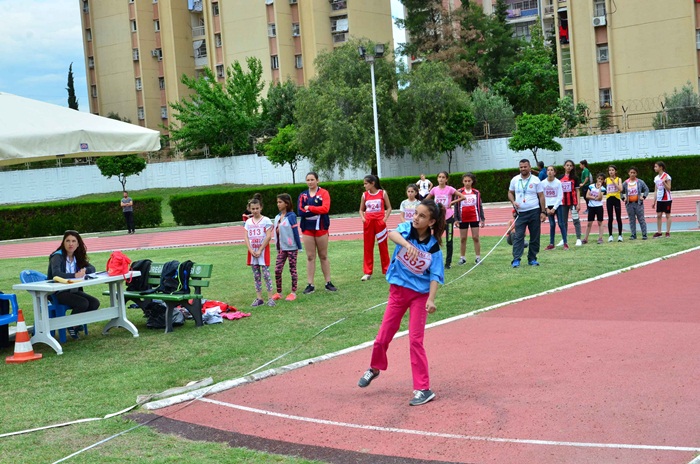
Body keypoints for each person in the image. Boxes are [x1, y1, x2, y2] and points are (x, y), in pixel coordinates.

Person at [357, 199, 446, 407]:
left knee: (415, 341)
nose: (416, 217)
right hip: (398, 291)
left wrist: (431, 299)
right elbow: (392, 234)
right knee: (382, 337)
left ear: (431, 222)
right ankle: (375, 368)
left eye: (422, 216)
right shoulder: (406, 229)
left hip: (419, 296)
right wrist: (407, 245)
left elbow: (435, 276)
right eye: (416, 213)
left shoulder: (434, 248)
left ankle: (423, 389)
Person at [47, 230, 99, 339]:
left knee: (94, 303)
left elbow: (92, 268)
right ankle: (71, 325)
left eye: (73, 241)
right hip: (58, 292)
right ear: (63, 243)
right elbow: (55, 274)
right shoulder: (57, 256)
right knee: (83, 303)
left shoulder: (77, 256)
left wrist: (84, 270)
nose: (71, 244)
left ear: (78, 243)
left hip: (73, 290)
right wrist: (74, 275)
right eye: (68, 241)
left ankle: (75, 325)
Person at [297, 172, 337, 293]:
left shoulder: (324, 193)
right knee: (310, 256)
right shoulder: (303, 195)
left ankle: (328, 282)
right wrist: (314, 210)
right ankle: (310, 284)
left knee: (323, 256)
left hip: (321, 227)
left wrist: (310, 208)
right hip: (307, 228)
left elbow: (325, 209)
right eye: (308, 180)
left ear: (317, 180)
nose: (310, 182)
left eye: (312, 179)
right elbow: (301, 211)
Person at [507, 159, 546, 268]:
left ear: (529, 167)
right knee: (518, 236)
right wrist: (513, 202)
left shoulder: (536, 180)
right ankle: (516, 259)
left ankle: (532, 258)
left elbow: (541, 196)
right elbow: (510, 193)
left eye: (525, 166)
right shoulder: (515, 180)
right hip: (520, 213)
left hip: (534, 211)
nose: (523, 169)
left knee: (535, 236)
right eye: (521, 167)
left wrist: (543, 211)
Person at [427, 171, 465, 269]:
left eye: (443, 177)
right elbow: (426, 200)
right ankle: (434, 261)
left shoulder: (450, 189)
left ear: (446, 179)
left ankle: (448, 263)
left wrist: (452, 202)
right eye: (439, 177)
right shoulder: (434, 190)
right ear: (437, 178)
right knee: (435, 239)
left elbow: (463, 197)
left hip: (448, 218)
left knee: (449, 240)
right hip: (438, 218)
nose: (441, 179)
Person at [244, 195, 276, 307]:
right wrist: (251, 250)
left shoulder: (266, 220)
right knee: (256, 275)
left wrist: (260, 249)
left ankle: (270, 298)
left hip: (262, 252)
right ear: (249, 209)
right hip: (253, 253)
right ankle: (259, 298)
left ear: (261, 207)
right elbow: (246, 237)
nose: (255, 211)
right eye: (253, 209)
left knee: (266, 274)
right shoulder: (248, 222)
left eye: (257, 208)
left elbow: (268, 236)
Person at [360, 175, 393, 281]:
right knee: (368, 247)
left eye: (366, 183)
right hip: (368, 223)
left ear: (372, 183)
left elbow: (389, 207)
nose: (364, 185)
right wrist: (363, 218)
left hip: (380, 222)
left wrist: (385, 219)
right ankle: (367, 272)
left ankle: (387, 269)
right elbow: (361, 210)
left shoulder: (382, 193)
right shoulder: (364, 195)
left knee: (383, 247)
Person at [273, 193, 302, 301]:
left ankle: (293, 292)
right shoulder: (277, 217)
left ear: (286, 203)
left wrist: (299, 246)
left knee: (292, 269)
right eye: (277, 202)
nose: (278, 204)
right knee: (277, 270)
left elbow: (295, 231)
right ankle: (279, 292)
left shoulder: (291, 216)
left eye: (280, 202)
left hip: (291, 247)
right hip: (281, 248)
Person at [456, 173, 485, 265]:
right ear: (462, 182)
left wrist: (482, 218)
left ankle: (478, 257)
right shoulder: (459, 192)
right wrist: (456, 219)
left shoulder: (476, 192)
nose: (467, 183)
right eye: (465, 181)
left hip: (474, 217)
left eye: (469, 181)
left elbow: (479, 206)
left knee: (475, 237)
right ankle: (462, 258)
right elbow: (456, 206)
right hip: (462, 218)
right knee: (463, 238)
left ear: (472, 181)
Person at [621, 166, 649, 240]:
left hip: (638, 203)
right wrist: (623, 198)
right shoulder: (626, 183)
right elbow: (620, 190)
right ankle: (633, 234)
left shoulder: (640, 182)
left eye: (634, 173)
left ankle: (644, 234)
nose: (632, 174)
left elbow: (646, 189)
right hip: (629, 204)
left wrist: (644, 197)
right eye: (631, 173)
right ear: (628, 173)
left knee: (641, 219)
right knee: (632, 219)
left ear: (636, 174)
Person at [542, 166, 566, 250]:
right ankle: (551, 244)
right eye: (548, 170)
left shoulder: (558, 182)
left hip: (558, 205)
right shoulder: (543, 183)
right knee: (552, 224)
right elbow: (542, 196)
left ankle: (565, 243)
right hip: (548, 205)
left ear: (554, 172)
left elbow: (560, 196)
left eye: (552, 170)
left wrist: (554, 208)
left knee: (561, 223)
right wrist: (546, 208)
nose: (550, 172)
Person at [559, 160, 582, 247]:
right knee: (563, 221)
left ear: (572, 167)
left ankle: (578, 239)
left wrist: (578, 203)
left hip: (573, 202)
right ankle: (564, 239)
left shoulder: (575, 178)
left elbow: (577, 191)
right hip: (563, 203)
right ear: (564, 166)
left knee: (576, 220)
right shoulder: (560, 178)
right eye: (567, 165)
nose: (569, 167)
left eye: (570, 165)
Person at [582, 173, 607, 245]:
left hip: (599, 207)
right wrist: (595, 198)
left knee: (600, 222)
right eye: (599, 178)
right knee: (589, 223)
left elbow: (600, 198)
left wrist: (599, 188)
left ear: (603, 181)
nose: (600, 180)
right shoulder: (591, 186)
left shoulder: (603, 188)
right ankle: (585, 238)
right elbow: (587, 195)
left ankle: (600, 238)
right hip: (591, 207)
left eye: (601, 179)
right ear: (596, 178)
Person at [651, 161, 673, 238]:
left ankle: (667, 232)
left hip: (667, 199)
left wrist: (664, 182)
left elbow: (669, 188)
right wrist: (654, 201)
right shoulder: (656, 178)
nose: (654, 168)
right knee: (658, 215)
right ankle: (659, 232)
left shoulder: (666, 176)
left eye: (656, 166)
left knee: (667, 215)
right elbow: (656, 190)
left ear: (661, 167)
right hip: (659, 199)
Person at [605, 165, 624, 242]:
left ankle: (620, 235)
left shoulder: (618, 179)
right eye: (610, 170)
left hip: (616, 199)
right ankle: (610, 235)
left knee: (618, 217)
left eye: (612, 170)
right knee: (610, 218)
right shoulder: (606, 180)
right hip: (609, 199)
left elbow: (621, 189)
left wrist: (614, 181)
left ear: (615, 171)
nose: (611, 172)